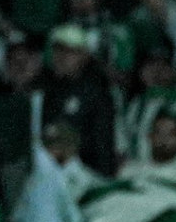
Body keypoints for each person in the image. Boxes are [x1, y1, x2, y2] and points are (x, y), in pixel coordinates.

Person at [41, 25, 118, 175]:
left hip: (83, 175)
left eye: (70, 52)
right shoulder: (45, 89)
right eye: (58, 50)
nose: (62, 57)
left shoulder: (96, 92)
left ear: (84, 56)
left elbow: (102, 144)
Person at [120, 113, 176, 186]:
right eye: (159, 133)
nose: (164, 139)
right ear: (150, 137)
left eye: (171, 134)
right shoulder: (130, 171)